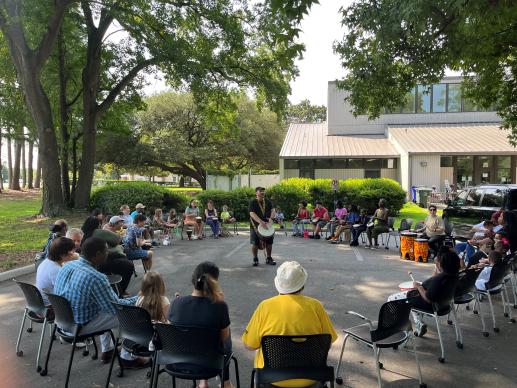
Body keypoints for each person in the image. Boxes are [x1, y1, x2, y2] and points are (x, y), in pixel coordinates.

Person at [54, 237, 148, 368]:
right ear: (98, 254)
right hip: (78, 326)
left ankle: (107, 350)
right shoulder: (96, 277)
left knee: (101, 306)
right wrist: (139, 298)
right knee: (133, 314)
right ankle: (128, 358)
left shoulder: (67, 265)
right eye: (106, 251)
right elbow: (116, 308)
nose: (108, 253)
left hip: (63, 321)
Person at [242, 261, 338, 387]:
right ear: (302, 285)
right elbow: (328, 343)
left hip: (272, 379)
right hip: (311, 378)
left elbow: (249, 345)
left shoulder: (265, 307)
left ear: (278, 284)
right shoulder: (316, 306)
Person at [168, 262, 233, 388]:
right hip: (210, 363)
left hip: (178, 361)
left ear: (193, 279)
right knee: (226, 338)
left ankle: (203, 383)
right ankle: (226, 383)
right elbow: (224, 339)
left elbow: (172, 334)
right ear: (214, 283)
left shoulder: (176, 303)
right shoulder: (219, 306)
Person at [388, 249, 460, 337]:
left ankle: (404, 328)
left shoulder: (440, 279)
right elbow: (434, 284)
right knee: (412, 300)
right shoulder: (454, 276)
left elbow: (428, 298)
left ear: (442, 265)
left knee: (392, 299)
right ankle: (419, 324)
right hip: (444, 304)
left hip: (431, 305)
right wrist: (437, 271)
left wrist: (419, 287)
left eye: (438, 263)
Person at [83, 216, 135, 295]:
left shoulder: (84, 233)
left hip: (88, 261)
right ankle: (120, 291)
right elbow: (117, 239)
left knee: (120, 259)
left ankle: (116, 288)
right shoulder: (98, 232)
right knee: (128, 266)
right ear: (98, 225)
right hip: (100, 262)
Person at [36, 237, 78, 309]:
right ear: (62, 255)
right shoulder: (56, 270)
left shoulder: (46, 262)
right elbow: (67, 293)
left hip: (41, 302)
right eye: (72, 252)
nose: (74, 254)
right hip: (51, 307)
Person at [249, 186, 276, 266]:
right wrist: (260, 222)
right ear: (256, 193)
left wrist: (271, 218)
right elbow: (252, 213)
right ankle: (255, 258)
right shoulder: (253, 202)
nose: (262, 193)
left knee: (269, 242)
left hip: (267, 224)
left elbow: (273, 210)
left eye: (263, 192)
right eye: (260, 191)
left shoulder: (268, 201)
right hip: (256, 225)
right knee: (255, 243)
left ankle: (269, 258)